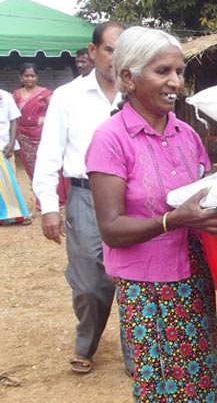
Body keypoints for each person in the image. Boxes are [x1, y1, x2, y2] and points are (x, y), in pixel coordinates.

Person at [85, 26, 217, 402]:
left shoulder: (187, 135)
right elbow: (111, 229)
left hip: (194, 277)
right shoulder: (111, 139)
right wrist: (173, 221)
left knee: (201, 378)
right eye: (162, 71)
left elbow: (204, 198)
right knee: (162, 386)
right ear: (127, 78)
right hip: (148, 288)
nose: (176, 82)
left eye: (179, 71)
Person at [33, 21, 133, 375]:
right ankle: (86, 342)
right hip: (85, 197)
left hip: (133, 199)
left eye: (122, 51)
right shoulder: (67, 97)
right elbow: (49, 153)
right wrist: (49, 207)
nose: (115, 58)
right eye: (109, 49)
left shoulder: (137, 95)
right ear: (92, 52)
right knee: (90, 283)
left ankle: (136, 353)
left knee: (134, 278)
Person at [12, 63, 68, 210]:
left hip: (42, 134)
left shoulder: (46, 94)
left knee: (47, 165)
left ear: (37, 77)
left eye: (32, 75)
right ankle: (41, 199)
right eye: (26, 76)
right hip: (23, 135)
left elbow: (56, 112)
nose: (30, 78)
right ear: (21, 77)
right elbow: (12, 114)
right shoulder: (16, 94)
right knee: (31, 167)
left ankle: (59, 199)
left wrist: (41, 120)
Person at [0, 88, 30, 225]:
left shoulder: (5, 96)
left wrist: (11, 143)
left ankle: (16, 214)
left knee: (9, 181)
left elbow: (13, 120)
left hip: (4, 146)